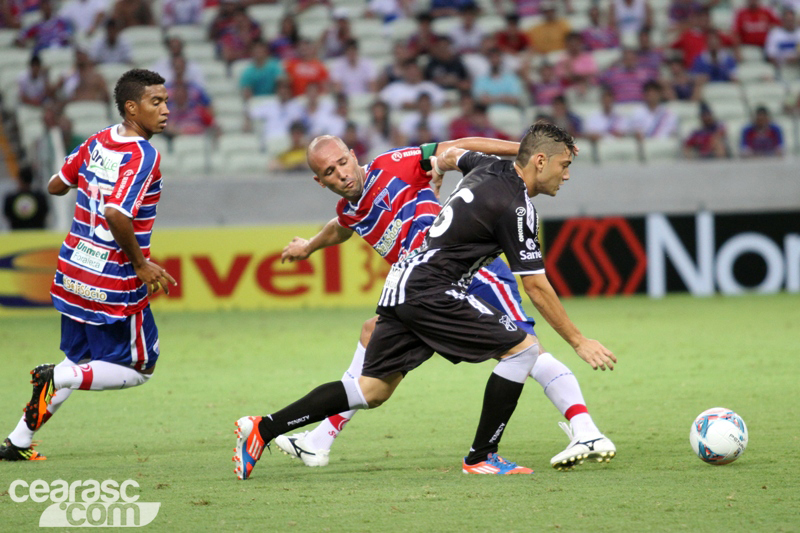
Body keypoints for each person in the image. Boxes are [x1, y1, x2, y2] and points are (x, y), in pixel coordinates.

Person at [233, 124, 616, 480]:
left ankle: (282, 432)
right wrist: (309, 246)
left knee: (375, 382)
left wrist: (521, 151)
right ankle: (505, 450)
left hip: (452, 278)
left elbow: (455, 148)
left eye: (343, 162)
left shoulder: (392, 164)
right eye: (330, 172)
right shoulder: (351, 210)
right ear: (320, 181)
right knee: (524, 350)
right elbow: (341, 227)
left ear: (353, 155)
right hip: (434, 285)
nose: (342, 174)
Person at [0, 69, 175, 461]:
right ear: (132, 108)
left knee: (78, 360)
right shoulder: (143, 155)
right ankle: (56, 376)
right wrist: (141, 264)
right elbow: (115, 213)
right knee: (141, 367)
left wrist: (95, 178)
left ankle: (18, 440)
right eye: (156, 102)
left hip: (73, 268)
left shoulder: (98, 140)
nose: (165, 110)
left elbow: (55, 185)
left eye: (166, 101)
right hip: (113, 277)